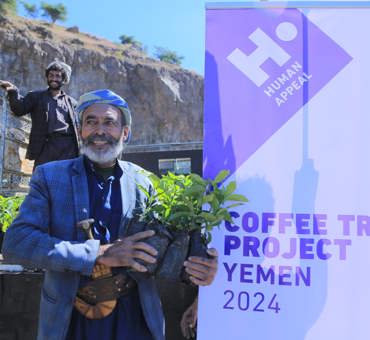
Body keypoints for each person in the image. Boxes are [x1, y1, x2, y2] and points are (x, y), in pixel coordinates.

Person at [2, 89, 218, 340]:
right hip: (72, 318)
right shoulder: (50, 177)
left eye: (109, 122)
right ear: (80, 131)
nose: (99, 131)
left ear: (125, 132)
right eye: (90, 122)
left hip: (135, 317)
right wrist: (98, 254)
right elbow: (18, 242)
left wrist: (196, 269)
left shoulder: (144, 181)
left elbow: (166, 245)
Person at [0, 60, 79, 169]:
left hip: (68, 148)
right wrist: (13, 91)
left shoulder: (72, 103)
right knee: (41, 181)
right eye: (51, 75)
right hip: (45, 147)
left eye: (58, 76)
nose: (54, 79)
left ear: (63, 79)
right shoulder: (36, 97)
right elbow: (19, 109)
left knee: (65, 182)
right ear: (47, 77)